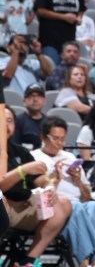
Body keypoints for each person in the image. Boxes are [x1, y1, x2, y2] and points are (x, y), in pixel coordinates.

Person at [31, 116, 95, 267]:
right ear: (43, 137)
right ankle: (84, 263)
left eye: (63, 139)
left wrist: (78, 181)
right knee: (75, 207)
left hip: (77, 203)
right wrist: (56, 179)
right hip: (55, 207)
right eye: (55, 138)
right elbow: (36, 193)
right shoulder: (34, 157)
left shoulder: (69, 157)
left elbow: (87, 196)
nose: (59, 143)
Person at [0, 106, 72, 265]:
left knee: (63, 204)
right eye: (2, 120)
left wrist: (49, 184)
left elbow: (38, 177)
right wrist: (22, 170)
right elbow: (2, 185)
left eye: (10, 120)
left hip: (23, 207)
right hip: (3, 206)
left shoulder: (20, 151)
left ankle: (29, 260)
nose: (6, 125)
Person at [12, 82, 47, 150]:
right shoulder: (18, 121)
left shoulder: (49, 122)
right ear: (24, 101)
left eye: (39, 96)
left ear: (44, 100)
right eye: (31, 96)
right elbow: (15, 147)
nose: (35, 99)